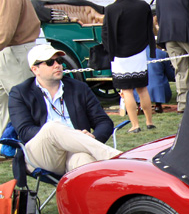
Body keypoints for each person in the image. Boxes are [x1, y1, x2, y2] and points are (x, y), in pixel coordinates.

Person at [8, 45, 119, 176]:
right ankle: (119, 159)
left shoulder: (79, 88)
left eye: (59, 61)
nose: (57, 65)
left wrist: (93, 137)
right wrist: (65, 135)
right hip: (43, 155)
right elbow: (25, 131)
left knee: (84, 163)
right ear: (35, 69)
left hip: (76, 151)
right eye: (50, 62)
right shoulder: (20, 93)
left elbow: (104, 122)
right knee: (52, 128)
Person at [102, 0, 155, 132]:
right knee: (142, 89)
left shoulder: (111, 9)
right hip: (138, 51)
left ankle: (135, 125)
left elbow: (105, 33)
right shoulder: (143, 6)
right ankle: (149, 121)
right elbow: (149, 29)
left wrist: (109, 49)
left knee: (127, 91)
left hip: (119, 54)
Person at [0, 0, 40, 131]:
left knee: (24, 102)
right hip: (9, 51)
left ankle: (33, 144)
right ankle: (5, 146)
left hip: (14, 52)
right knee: (5, 103)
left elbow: (4, 30)